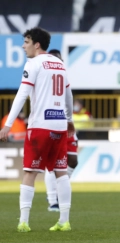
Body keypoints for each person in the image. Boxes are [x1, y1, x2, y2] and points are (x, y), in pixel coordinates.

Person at [0, 27, 74, 232]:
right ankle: (64, 221)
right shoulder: (60, 63)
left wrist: (7, 124)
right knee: (61, 172)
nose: (23, 46)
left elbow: (22, 94)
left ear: (37, 44)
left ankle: (23, 222)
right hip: (59, 125)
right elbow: (69, 96)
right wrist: (69, 119)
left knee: (30, 172)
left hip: (40, 125)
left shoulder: (33, 63)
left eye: (26, 42)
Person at [44, 49, 79, 212]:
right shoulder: (42, 77)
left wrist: (70, 119)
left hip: (65, 123)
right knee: (52, 163)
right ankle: (53, 201)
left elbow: (68, 98)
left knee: (73, 160)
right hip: (49, 122)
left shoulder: (63, 76)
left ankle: (60, 187)